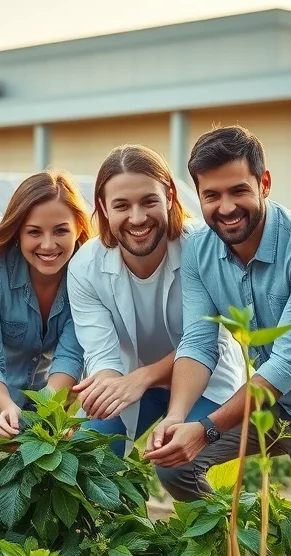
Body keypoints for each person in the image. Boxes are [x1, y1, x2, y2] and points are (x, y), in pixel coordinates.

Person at [144, 125, 291, 556]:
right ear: (197, 195)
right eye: (211, 196)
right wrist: (176, 418)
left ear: (264, 183)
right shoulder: (199, 252)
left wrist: (206, 429)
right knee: (175, 469)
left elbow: (286, 366)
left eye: (239, 190)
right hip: (267, 410)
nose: (226, 208)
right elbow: (198, 341)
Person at [67, 144, 243, 458]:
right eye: (121, 205)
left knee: (180, 462)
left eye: (149, 201)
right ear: (103, 208)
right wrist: (107, 383)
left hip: (207, 380)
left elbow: (204, 340)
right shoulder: (85, 267)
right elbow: (101, 353)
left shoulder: (202, 248)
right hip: (131, 381)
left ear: (170, 197)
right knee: (88, 454)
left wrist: (143, 377)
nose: (137, 218)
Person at [0, 170, 90, 445]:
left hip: (55, 397)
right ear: (17, 231)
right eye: (34, 232)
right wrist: (8, 410)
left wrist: (43, 415)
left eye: (61, 231)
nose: (48, 244)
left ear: (78, 227)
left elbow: (70, 358)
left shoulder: (88, 276)